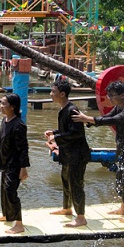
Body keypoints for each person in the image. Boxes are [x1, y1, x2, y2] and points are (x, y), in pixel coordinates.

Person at [73, 80, 124, 222]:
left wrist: (90, 119)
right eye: (108, 95)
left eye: (112, 95)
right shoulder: (119, 106)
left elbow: (117, 120)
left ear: (122, 95)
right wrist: (88, 121)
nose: (109, 97)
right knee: (120, 174)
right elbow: (107, 118)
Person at [45, 77, 91, 228]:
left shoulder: (72, 110)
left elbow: (76, 133)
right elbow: (67, 130)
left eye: (53, 91)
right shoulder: (63, 109)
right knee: (65, 180)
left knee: (75, 184)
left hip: (77, 155)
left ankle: (81, 217)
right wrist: (54, 132)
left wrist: (56, 138)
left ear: (62, 94)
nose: (51, 94)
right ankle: (67, 208)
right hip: (68, 153)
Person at [0, 93, 30, 234]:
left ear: (12, 107)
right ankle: (7, 216)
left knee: (10, 191)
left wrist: (24, 169)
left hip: (15, 164)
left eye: (4, 104)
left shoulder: (19, 125)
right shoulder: (5, 120)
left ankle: (19, 224)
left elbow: (23, 148)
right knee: (4, 190)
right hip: (5, 161)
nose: (1, 106)